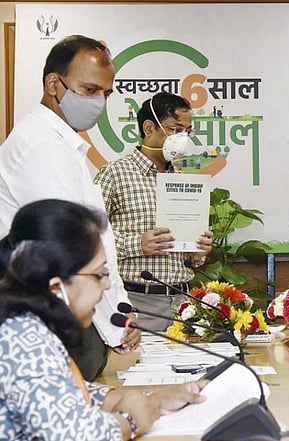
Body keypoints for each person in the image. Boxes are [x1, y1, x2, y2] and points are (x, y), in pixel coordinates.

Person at [0, 199, 207, 440]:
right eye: (99, 275)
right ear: (57, 287)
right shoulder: (23, 338)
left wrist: (154, 402)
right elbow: (71, 435)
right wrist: (132, 420)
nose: (106, 284)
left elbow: (66, 395)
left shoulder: (28, 325)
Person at [0, 35, 139, 379]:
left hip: (72, 317)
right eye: (89, 90)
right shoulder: (42, 147)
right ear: (53, 84)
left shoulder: (59, 144)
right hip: (52, 322)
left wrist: (118, 314)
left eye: (106, 94)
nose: (98, 103)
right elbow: (74, 251)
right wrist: (115, 323)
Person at [95, 92, 214, 331]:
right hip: (137, 301)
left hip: (183, 303)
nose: (183, 139)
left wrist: (198, 249)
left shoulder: (182, 181)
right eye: (175, 129)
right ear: (149, 128)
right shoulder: (115, 174)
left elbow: (190, 259)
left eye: (187, 132)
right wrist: (137, 244)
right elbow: (88, 238)